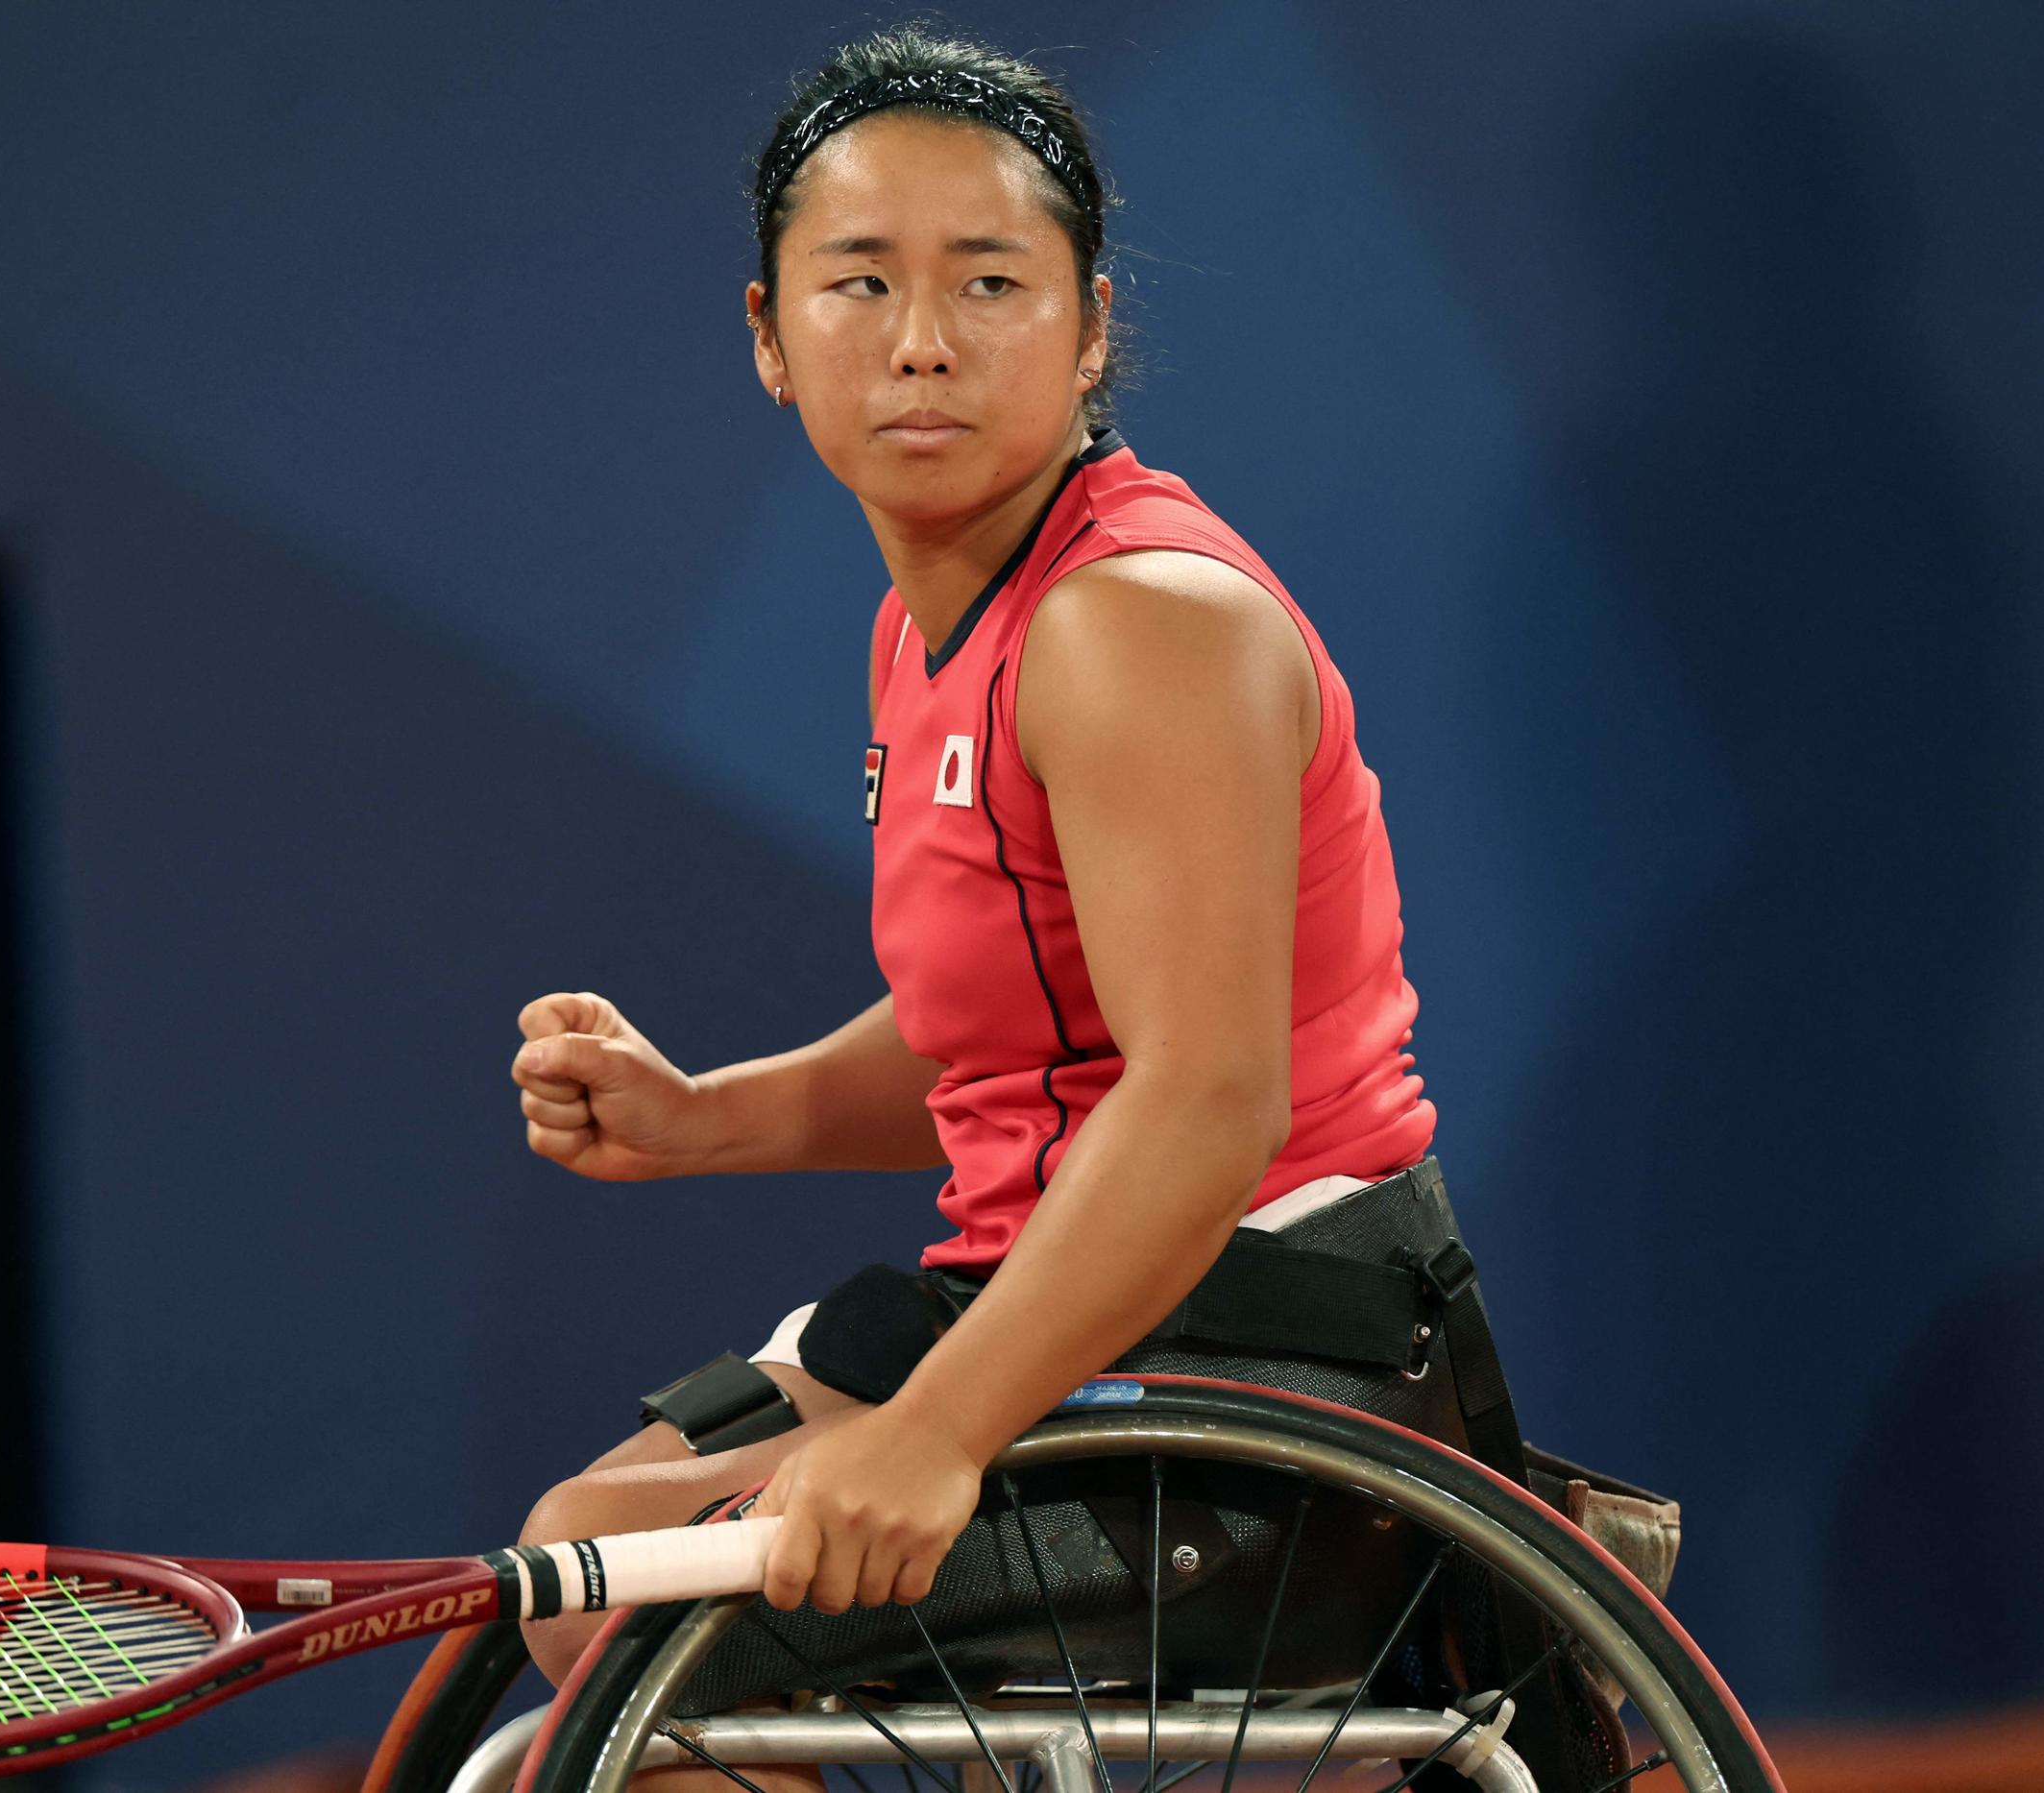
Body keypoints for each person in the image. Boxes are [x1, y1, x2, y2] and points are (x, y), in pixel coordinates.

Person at [506, 25, 1461, 1702]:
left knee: (638, 1628)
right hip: (1066, 1291)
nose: (924, 346)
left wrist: (937, 1436)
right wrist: (712, 1115)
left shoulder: (1135, 623)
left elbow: (1202, 1098)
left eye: (993, 284)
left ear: (1092, 329)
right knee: (582, 1548)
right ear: (770, 339)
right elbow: (1017, 1032)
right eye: (858, 284)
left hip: (1268, 1353)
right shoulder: (937, 618)